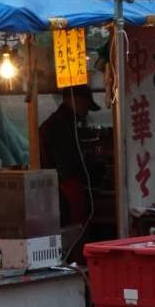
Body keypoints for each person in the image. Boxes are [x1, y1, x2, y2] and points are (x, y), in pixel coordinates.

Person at [39, 84, 100, 227]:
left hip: (62, 194)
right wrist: (94, 169)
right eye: (86, 107)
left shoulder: (59, 123)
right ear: (75, 100)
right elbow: (68, 167)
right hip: (64, 194)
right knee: (73, 238)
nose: (86, 113)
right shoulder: (60, 127)